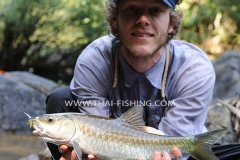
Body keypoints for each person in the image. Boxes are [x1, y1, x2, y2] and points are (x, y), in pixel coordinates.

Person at [46, 0, 215, 159]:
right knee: (60, 99)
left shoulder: (194, 69)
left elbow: (176, 146)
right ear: (114, 19)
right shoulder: (94, 61)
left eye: (155, 10)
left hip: (169, 148)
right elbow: (96, 136)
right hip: (114, 149)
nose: (142, 20)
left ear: (171, 23)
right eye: (132, 9)